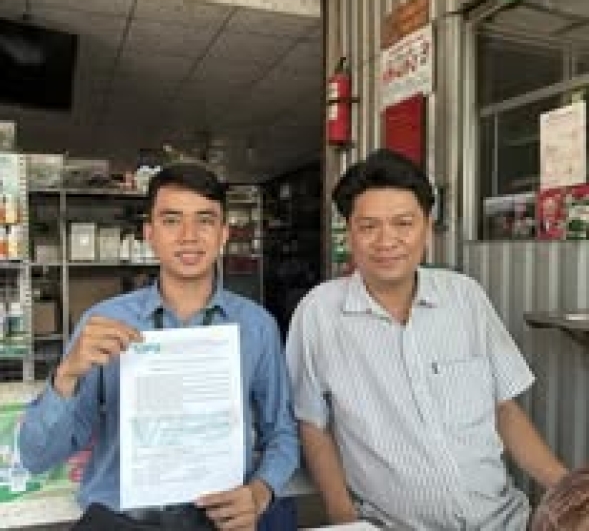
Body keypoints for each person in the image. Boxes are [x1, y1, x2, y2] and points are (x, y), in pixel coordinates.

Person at [286, 148, 567, 530]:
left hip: (502, 520)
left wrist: (568, 491)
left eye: (403, 223)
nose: (387, 241)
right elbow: (312, 423)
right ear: (349, 233)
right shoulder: (319, 313)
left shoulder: (464, 297)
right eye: (368, 226)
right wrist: (344, 519)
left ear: (427, 229)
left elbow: (504, 408)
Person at [19, 162, 299, 531]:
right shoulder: (103, 322)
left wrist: (260, 493)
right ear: (149, 233)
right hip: (118, 521)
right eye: (171, 220)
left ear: (223, 233)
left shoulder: (256, 326)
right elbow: (37, 456)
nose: (189, 236)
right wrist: (67, 373)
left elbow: (282, 433)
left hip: (217, 520)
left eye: (204, 220)